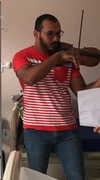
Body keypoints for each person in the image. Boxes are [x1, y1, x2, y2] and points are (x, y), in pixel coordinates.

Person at [12, 14, 100, 180]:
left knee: (77, 177)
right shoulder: (22, 56)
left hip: (68, 131)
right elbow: (29, 78)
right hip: (36, 131)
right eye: (50, 34)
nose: (56, 38)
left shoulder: (67, 58)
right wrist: (56, 58)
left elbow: (82, 92)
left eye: (59, 33)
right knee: (36, 177)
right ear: (36, 34)